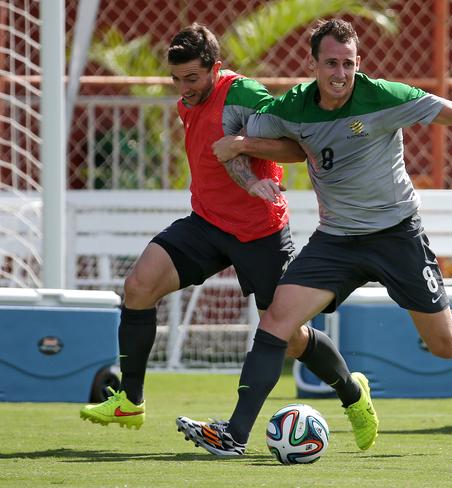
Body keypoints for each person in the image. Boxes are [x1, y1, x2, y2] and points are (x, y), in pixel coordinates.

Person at [175, 18, 452, 456]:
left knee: (444, 346)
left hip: (397, 235)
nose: (340, 74)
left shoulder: (384, 96)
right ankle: (235, 434)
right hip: (337, 240)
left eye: (348, 64)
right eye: (331, 64)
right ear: (314, 64)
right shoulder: (292, 106)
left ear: (358, 63)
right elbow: (261, 142)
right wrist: (242, 148)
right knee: (276, 322)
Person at [80, 23, 379, 452]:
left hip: (261, 231)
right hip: (206, 223)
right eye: (176, 79)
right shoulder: (189, 100)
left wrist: (250, 169)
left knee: (292, 337)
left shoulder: (244, 94)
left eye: (193, 78)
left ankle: (353, 394)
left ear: (215, 69)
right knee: (138, 287)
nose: (184, 89)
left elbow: (295, 146)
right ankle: (131, 399)